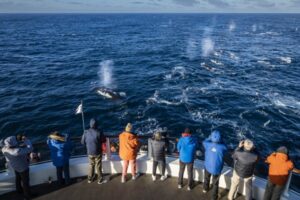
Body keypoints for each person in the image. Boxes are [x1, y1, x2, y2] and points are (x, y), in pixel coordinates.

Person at [202, 130, 227, 200]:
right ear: (220, 138)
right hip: (217, 169)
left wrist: (209, 138)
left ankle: (205, 189)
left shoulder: (207, 144)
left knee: (206, 178)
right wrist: (222, 140)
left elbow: (204, 141)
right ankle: (214, 197)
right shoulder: (222, 147)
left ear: (211, 137)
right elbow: (226, 147)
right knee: (215, 183)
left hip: (207, 166)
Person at [81, 118, 107, 184]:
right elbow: (104, 140)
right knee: (98, 166)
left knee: (91, 165)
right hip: (97, 152)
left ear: (90, 124)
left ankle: (90, 179)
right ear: (96, 125)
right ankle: (100, 180)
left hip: (89, 152)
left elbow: (82, 142)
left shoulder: (86, 132)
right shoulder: (99, 132)